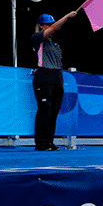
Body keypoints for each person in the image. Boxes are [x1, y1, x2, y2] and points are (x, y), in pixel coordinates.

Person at [31, 11, 77, 150]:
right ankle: (41, 143)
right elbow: (54, 29)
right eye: (48, 25)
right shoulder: (37, 37)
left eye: (52, 24)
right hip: (44, 75)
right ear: (41, 26)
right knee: (45, 109)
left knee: (54, 110)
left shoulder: (54, 44)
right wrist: (67, 16)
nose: (51, 26)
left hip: (57, 76)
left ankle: (49, 141)